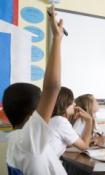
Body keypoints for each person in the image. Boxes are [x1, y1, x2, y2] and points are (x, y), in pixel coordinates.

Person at [3, 5, 67, 174]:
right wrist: (57, 38)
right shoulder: (30, 140)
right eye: (42, 104)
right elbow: (52, 88)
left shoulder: (17, 139)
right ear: (33, 114)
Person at [49, 87, 93, 158]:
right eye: (72, 101)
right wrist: (89, 121)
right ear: (64, 102)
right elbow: (84, 146)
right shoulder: (60, 121)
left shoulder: (52, 119)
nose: (75, 104)